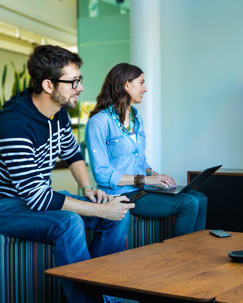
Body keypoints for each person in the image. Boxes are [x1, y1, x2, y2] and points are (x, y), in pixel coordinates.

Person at [0, 45, 133, 303]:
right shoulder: (14, 125)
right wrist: (99, 210)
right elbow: (37, 199)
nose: (80, 88)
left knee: (118, 211)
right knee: (68, 222)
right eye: (73, 82)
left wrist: (88, 190)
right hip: (7, 206)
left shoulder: (57, 112)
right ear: (49, 85)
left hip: (35, 198)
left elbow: (72, 154)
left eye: (79, 80)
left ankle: (108, 293)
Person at [85, 63, 207, 237]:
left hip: (142, 190)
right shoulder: (99, 122)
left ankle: (197, 253)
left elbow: (140, 161)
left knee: (200, 198)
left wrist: (155, 175)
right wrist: (148, 180)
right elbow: (102, 174)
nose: (145, 88)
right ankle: (181, 257)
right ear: (127, 85)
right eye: (141, 83)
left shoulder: (136, 119)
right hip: (122, 195)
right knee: (188, 203)